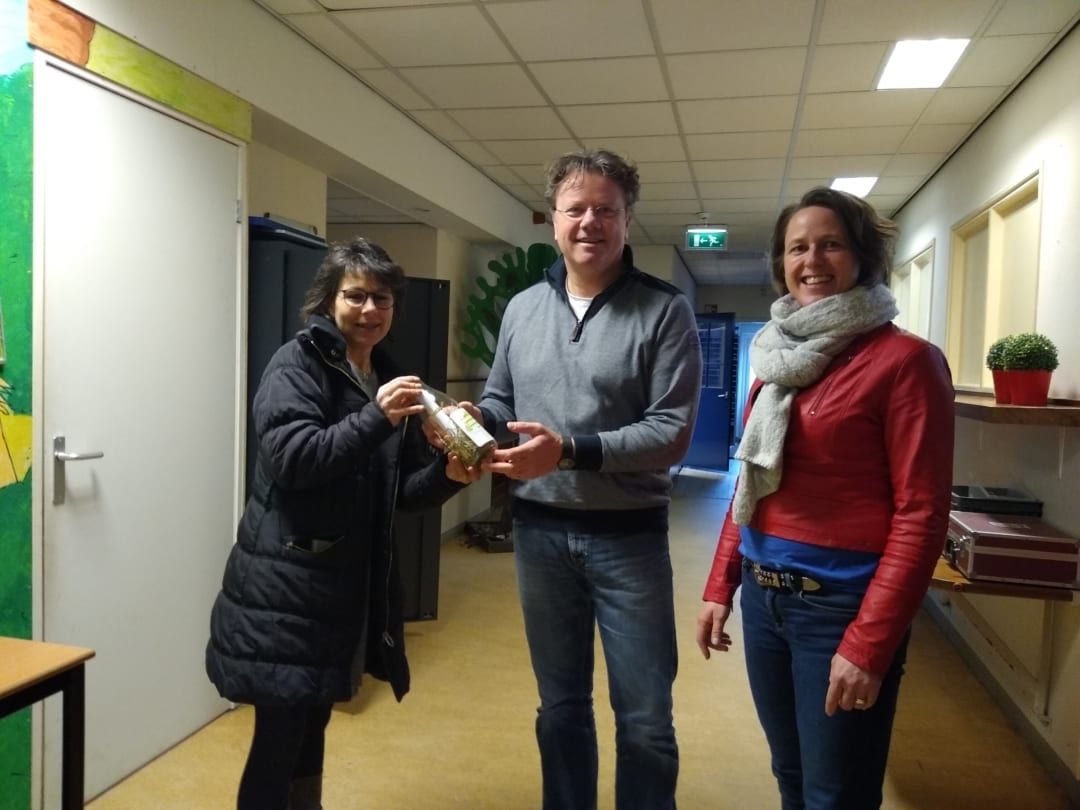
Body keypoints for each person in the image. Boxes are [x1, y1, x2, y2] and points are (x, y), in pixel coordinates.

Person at [695, 187, 954, 809]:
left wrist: (868, 643)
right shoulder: (776, 361)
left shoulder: (906, 362)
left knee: (836, 794)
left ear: (863, 256)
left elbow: (921, 515)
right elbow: (750, 484)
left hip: (839, 609)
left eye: (830, 244)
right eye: (797, 248)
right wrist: (719, 586)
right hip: (764, 600)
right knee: (790, 773)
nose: (811, 260)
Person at [205, 238, 479, 810]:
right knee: (279, 741)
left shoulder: (387, 376)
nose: (369, 310)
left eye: (382, 298)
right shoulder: (297, 364)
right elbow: (294, 461)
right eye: (355, 296)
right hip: (284, 591)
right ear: (328, 301)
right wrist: (376, 417)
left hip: (339, 591)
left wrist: (450, 474)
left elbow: (398, 493)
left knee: (312, 730)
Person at [469, 148, 702, 809]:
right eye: (576, 209)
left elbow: (670, 433)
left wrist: (568, 451)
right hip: (539, 535)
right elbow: (501, 398)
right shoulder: (521, 309)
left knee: (646, 719)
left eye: (607, 209)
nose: (589, 222)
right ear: (553, 218)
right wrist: (477, 421)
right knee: (561, 707)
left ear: (627, 220)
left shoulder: (664, 311)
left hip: (629, 540)